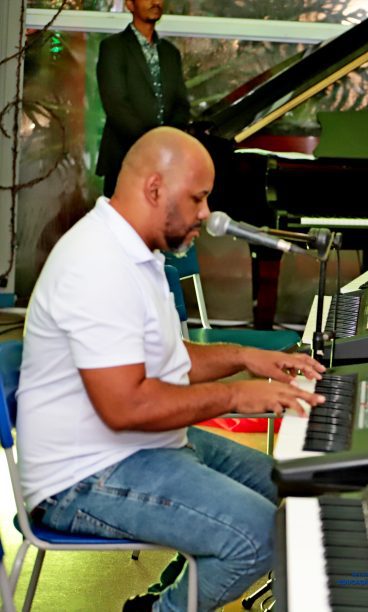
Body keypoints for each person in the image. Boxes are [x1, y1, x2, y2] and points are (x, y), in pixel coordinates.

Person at [16, 127, 327, 612]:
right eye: (198, 198)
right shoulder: (97, 265)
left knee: (292, 491)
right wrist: (236, 395)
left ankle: (162, 597)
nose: (207, 213)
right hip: (80, 476)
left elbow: (168, 357)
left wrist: (245, 358)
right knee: (258, 535)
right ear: (155, 189)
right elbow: (127, 405)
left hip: (139, 448)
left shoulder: (137, 254)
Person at [97, 0, 190, 197]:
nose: (156, 2)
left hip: (166, 165)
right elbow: (116, 106)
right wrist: (152, 145)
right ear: (129, 4)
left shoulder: (170, 53)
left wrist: (167, 144)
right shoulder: (112, 47)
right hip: (124, 159)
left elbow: (182, 105)